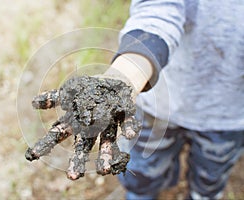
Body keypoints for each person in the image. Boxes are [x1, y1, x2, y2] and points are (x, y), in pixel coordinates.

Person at [104, 0, 244, 199]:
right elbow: (156, 13)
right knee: (140, 178)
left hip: (228, 117)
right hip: (159, 103)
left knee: (208, 186)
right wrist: (122, 78)